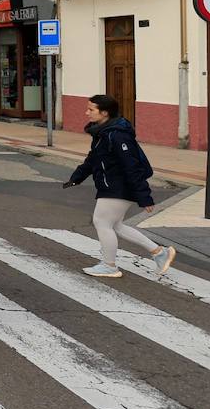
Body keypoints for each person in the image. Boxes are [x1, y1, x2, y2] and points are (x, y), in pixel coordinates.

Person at [64, 94, 172, 279]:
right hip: (113, 185)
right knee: (116, 225)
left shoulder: (117, 135)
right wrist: (77, 177)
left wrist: (144, 197)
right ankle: (159, 253)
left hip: (118, 186)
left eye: (91, 109)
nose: (87, 113)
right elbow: (93, 159)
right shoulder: (103, 133)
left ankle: (109, 266)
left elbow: (132, 166)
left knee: (102, 222)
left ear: (104, 113)